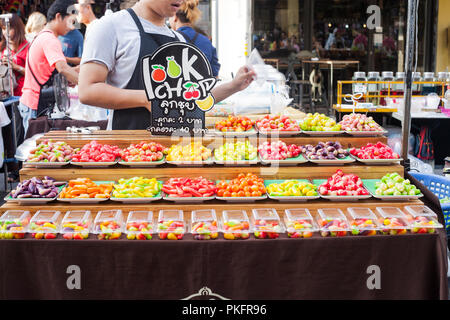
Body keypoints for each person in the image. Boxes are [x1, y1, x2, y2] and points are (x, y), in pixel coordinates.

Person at [79, 0, 254, 130]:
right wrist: (148, 99)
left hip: (173, 152)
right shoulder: (111, 26)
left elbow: (191, 98)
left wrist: (234, 86)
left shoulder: (178, 38)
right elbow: (88, 90)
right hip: (128, 150)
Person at [19, 0, 79, 136]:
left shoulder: (44, 36)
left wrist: (83, 69)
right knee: (34, 149)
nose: (72, 27)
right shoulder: (50, 40)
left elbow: (60, 70)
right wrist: (86, 85)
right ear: (58, 17)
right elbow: (63, 68)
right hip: (35, 104)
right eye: (71, 21)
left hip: (33, 101)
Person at [168, 0, 220, 77]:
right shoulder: (206, 41)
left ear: (175, 17)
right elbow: (214, 73)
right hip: (202, 87)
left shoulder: (170, 39)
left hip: (178, 87)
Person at [0, 13, 29, 97]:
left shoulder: (28, 48)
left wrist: (15, 66)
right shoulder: (2, 47)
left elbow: (34, 75)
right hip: (5, 95)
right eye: (4, 29)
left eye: (10, 28)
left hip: (23, 94)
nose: (6, 32)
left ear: (17, 29)